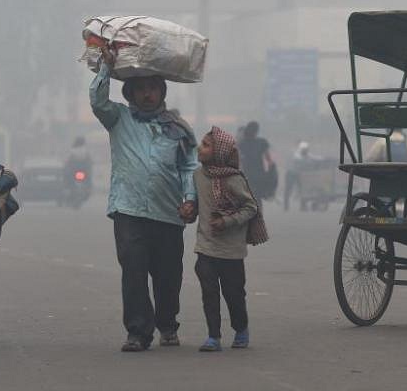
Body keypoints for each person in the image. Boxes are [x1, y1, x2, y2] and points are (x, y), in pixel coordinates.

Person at [90, 46, 198, 352]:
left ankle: (167, 324)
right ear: (131, 94)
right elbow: (97, 101)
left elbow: (190, 165)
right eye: (141, 89)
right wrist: (106, 69)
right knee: (133, 270)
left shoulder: (178, 129)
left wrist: (190, 198)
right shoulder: (119, 119)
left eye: (153, 89)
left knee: (168, 275)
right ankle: (137, 331)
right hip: (128, 210)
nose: (147, 94)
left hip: (168, 212)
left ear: (162, 92)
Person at [193, 126, 258, 351]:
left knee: (234, 295)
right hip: (205, 247)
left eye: (206, 145)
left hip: (231, 251)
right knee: (209, 294)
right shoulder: (197, 175)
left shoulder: (233, 179)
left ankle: (241, 329)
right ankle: (213, 336)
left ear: (219, 153)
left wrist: (227, 221)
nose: (199, 148)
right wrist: (186, 209)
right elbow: (195, 206)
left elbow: (251, 208)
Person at [237, 121, 275, 202]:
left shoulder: (241, 144)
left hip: (247, 176)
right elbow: (269, 160)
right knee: (258, 197)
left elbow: (239, 162)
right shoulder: (262, 142)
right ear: (257, 131)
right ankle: (270, 193)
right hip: (260, 175)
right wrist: (271, 172)